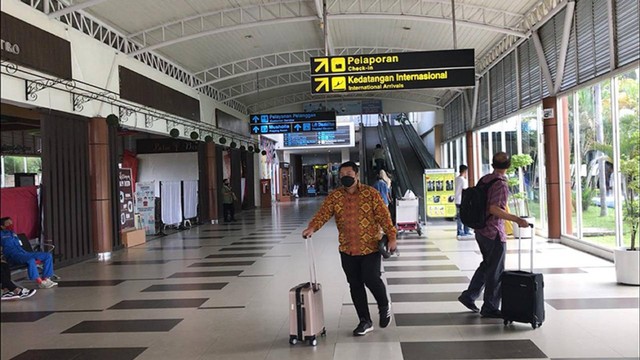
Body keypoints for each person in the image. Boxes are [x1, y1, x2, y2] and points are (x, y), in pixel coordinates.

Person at [302, 161, 397, 336]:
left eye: (349, 173)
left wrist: (392, 236)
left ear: (356, 175)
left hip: (370, 247)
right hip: (347, 248)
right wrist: (312, 228)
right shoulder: (335, 196)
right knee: (355, 285)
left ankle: (384, 305)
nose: (346, 177)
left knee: (371, 278)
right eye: (342, 174)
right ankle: (365, 321)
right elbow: (323, 214)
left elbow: (384, 216)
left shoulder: (371, 193)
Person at [457, 153, 530, 318]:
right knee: (496, 270)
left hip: (480, 230)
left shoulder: (485, 179)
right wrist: (517, 219)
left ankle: (469, 295)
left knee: (487, 265)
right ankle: (490, 307)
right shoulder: (500, 184)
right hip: (493, 232)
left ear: (492, 164)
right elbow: (494, 208)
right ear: (509, 166)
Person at [0, 217, 58, 289]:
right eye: (8, 223)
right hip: (13, 256)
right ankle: (40, 282)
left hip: (24, 253)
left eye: (11, 223)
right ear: (2, 226)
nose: (11, 224)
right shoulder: (1, 234)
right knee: (30, 260)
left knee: (47, 255)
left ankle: (46, 279)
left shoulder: (13, 233)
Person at [455, 165, 474, 239]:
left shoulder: (456, 179)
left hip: (457, 200)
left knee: (459, 216)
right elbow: (465, 191)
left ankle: (462, 231)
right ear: (465, 171)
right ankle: (463, 231)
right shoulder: (463, 180)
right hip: (462, 200)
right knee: (464, 216)